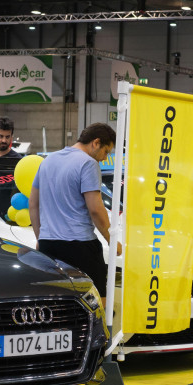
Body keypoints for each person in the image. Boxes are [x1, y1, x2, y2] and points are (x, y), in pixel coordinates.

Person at [29, 122, 121, 307]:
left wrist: (41, 237)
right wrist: (111, 239)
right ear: (96, 142)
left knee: (57, 305)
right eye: (106, 152)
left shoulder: (48, 160)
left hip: (49, 246)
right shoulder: (88, 163)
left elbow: (33, 204)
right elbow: (95, 208)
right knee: (96, 305)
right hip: (80, 246)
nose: (104, 158)